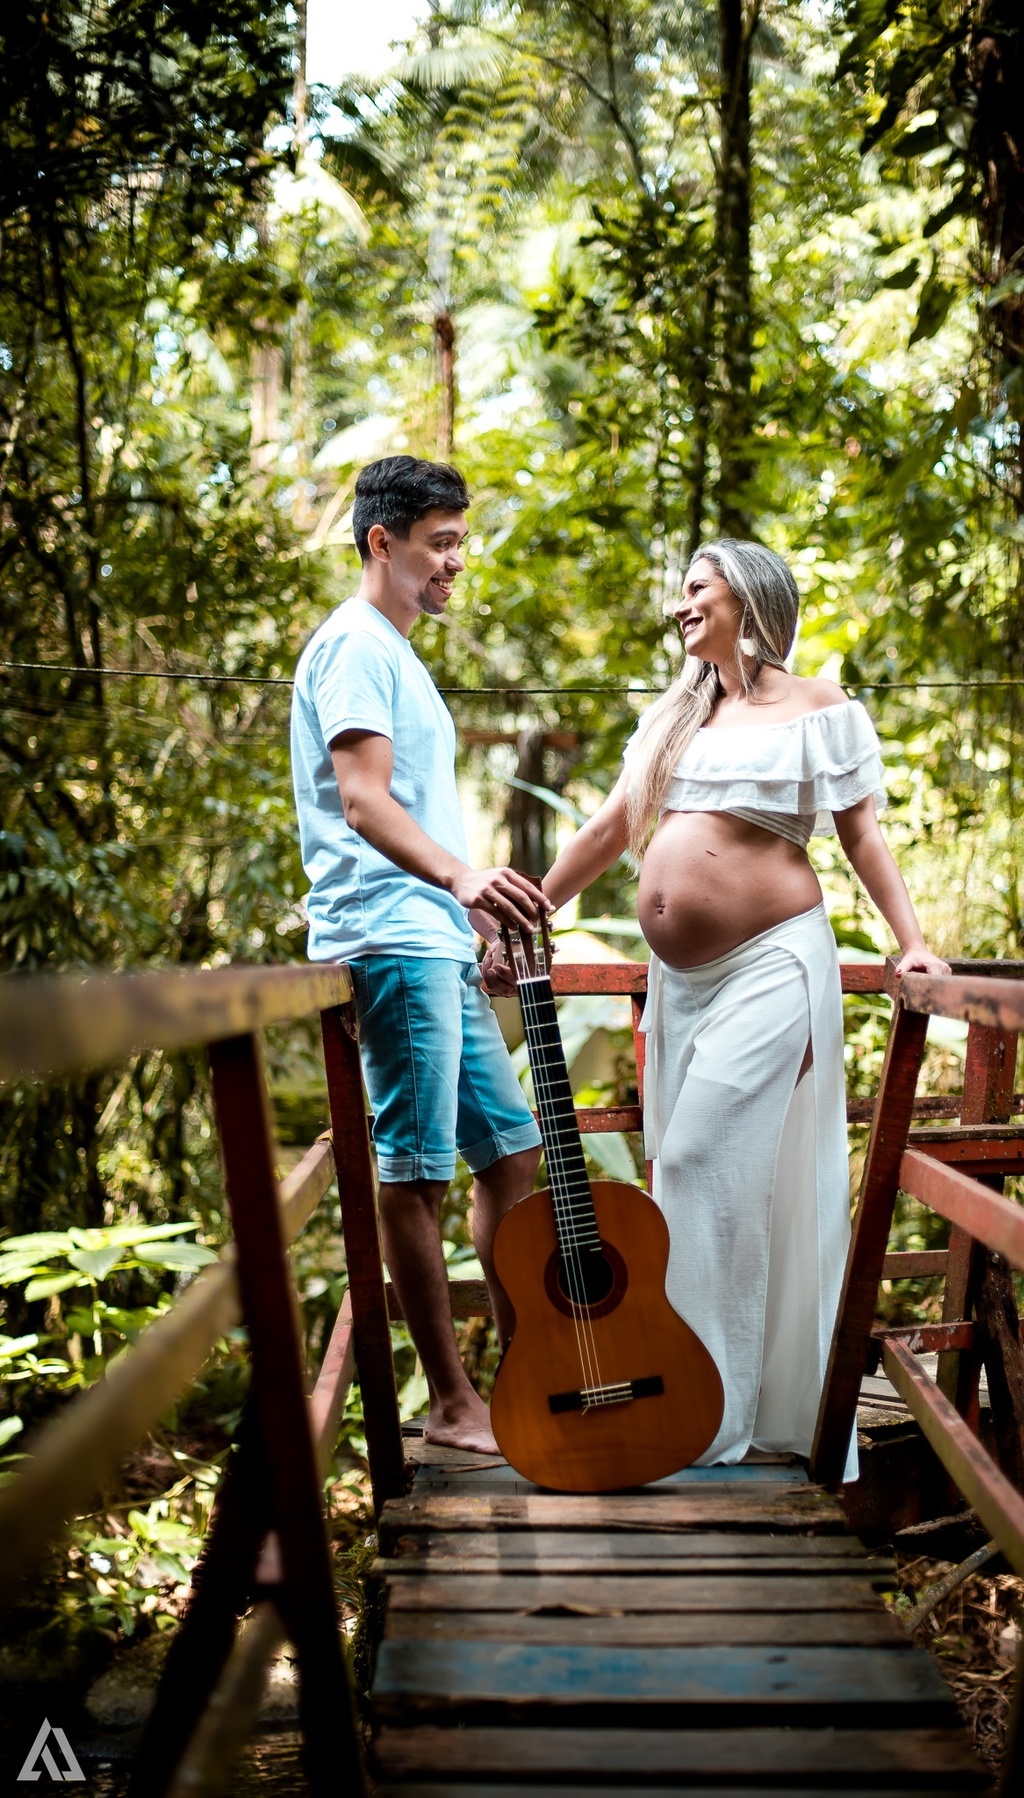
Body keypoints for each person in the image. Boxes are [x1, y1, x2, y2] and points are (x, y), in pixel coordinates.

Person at [485, 540, 949, 1473]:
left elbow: (860, 831)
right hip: (682, 985)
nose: (679, 607)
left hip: (775, 964)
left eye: (696, 589)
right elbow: (613, 827)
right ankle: (685, 1389)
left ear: (749, 594)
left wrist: (910, 942)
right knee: (690, 1173)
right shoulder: (675, 718)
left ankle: (709, 1416)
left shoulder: (821, 706)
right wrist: (523, 914)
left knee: (697, 1161)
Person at [291, 455, 548, 1455]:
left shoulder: (398, 652)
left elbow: (412, 805)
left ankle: (520, 1375)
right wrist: (460, 882)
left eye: (460, 543)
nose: (455, 563)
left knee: (513, 1153)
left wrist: (473, 924)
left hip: (434, 939)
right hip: (389, 938)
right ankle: (450, 1405)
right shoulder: (355, 646)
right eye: (439, 544)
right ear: (379, 543)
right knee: (416, 1174)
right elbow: (363, 801)